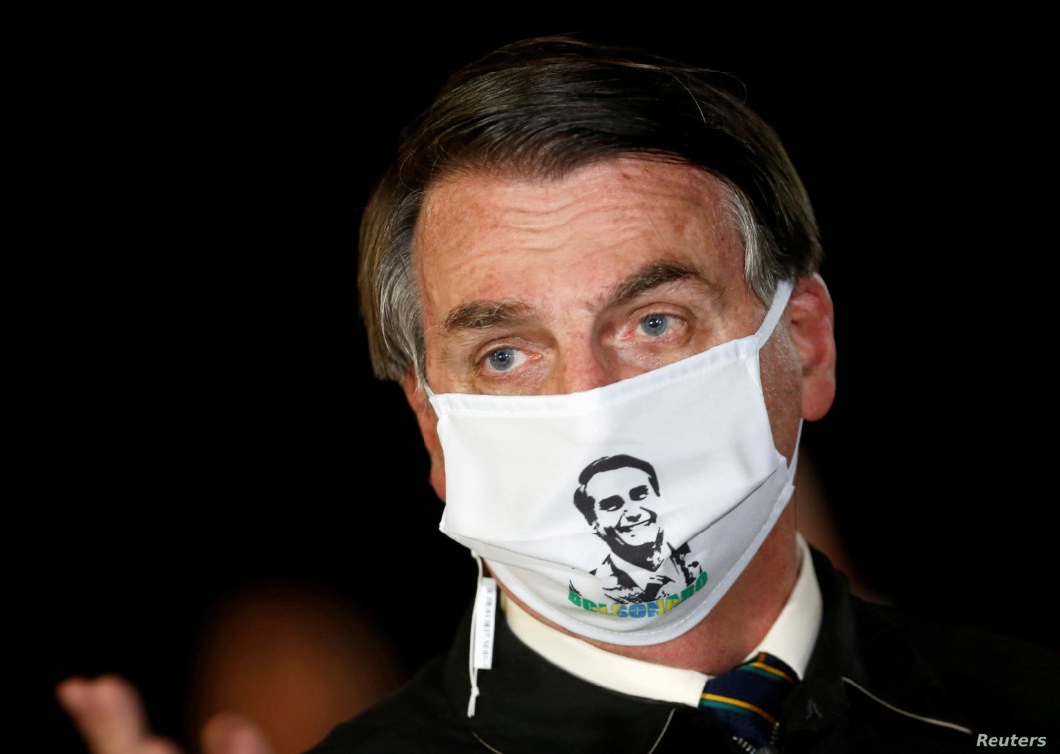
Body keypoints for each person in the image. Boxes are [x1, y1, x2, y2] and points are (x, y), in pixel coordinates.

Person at [59, 34, 1060, 754]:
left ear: (804, 342)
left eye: (653, 323)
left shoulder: (1027, 707)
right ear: (432, 425)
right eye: (504, 354)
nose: (592, 405)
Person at [571, 454, 703, 604]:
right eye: (612, 506)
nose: (633, 513)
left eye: (641, 495)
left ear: (661, 497)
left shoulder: (701, 553)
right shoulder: (583, 589)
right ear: (593, 522)